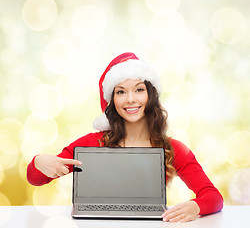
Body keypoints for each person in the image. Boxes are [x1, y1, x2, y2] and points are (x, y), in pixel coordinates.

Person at [27, 52, 223, 223]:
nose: (130, 99)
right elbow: (36, 178)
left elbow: (213, 196)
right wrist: (37, 162)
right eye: (121, 92)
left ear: (151, 95)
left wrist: (196, 206)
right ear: (112, 100)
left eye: (139, 89)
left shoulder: (173, 149)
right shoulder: (92, 143)